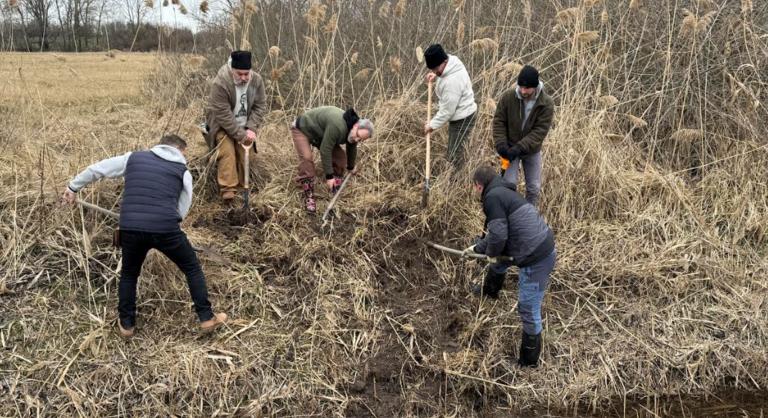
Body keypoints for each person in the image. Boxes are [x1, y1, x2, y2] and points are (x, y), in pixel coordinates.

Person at [61, 135, 228, 338]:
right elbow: (182, 208)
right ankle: (206, 318)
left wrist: (72, 187)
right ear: (180, 149)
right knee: (192, 268)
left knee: (130, 274)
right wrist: (169, 222)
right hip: (165, 228)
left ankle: (127, 325)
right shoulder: (183, 171)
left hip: (130, 228)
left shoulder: (134, 158)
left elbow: (99, 169)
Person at [464, 166, 557, 367]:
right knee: (500, 259)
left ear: (478, 186)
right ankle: (490, 291)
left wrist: (487, 253)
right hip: (535, 244)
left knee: (528, 308)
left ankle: (529, 362)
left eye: (473, 188)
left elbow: (498, 237)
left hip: (537, 256)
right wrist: (478, 247)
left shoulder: (492, 198)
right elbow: (499, 232)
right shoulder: (502, 192)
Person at [205, 50, 267, 202]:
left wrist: (251, 128)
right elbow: (222, 114)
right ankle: (228, 189)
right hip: (222, 125)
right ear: (232, 69)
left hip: (245, 125)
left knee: (246, 155)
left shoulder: (256, 80)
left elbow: (260, 106)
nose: (244, 78)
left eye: (247, 74)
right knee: (227, 152)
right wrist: (240, 135)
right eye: (240, 74)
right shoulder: (221, 82)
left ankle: (241, 187)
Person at [289, 106, 374, 213]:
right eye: (357, 135)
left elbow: (351, 148)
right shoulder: (338, 127)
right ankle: (309, 196)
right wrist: (329, 176)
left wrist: (351, 167)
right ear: (356, 125)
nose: (356, 139)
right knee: (307, 159)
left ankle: (335, 183)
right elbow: (325, 150)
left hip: (320, 134)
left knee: (341, 159)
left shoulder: (353, 130)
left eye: (360, 139)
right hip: (303, 128)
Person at [493, 65, 554, 207]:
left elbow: (540, 131)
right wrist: (501, 144)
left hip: (531, 150)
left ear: (535, 87)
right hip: (509, 147)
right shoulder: (508, 97)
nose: (522, 90)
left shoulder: (546, 103)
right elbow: (499, 121)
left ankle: (529, 216)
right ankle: (508, 214)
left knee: (534, 188)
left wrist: (520, 147)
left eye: (527, 88)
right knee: (508, 185)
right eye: (520, 86)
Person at [423, 43, 477, 171]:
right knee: (455, 150)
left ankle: (456, 182)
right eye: (432, 69)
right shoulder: (453, 62)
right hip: (462, 113)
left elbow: (447, 111)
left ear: (444, 61)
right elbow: (445, 72)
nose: (434, 72)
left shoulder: (451, 82)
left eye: (436, 69)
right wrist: (436, 75)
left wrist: (431, 125)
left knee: (454, 154)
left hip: (463, 118)